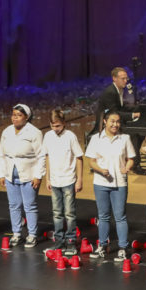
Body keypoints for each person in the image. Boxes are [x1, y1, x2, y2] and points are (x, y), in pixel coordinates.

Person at [86, 110, 136, 260]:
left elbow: (131, 158)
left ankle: (122, 247)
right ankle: (102, 245)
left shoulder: (125, 138)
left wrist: (127, 168)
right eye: (112, 121)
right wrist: (101, 170)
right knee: (103, 216)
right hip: (101, 183)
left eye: (118, 121)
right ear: (105, 122)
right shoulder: (96, 138)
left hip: (120, 183)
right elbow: (91, 161)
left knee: (120, 216)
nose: (115, 124)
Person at [39, 108, 84, 256]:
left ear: (64, 123)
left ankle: (70, 240)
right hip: (55, 180)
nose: (55, 129)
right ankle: (59, 239)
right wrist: (48, 178)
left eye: (58, 126)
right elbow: (47, 157)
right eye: (52, 126)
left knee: (69, 213)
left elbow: (79, 158)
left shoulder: (70, 136)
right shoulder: (48, 136)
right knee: (57, 212)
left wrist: (79, 180)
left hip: (68, 180)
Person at [0, 103, 44, 247]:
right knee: (14, 205)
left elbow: (41, 155)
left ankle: (32, 235)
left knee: (30, 205)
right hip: (11, 174)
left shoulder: (34, 132)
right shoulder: (7, 132)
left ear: (26, 117)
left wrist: (38, 175)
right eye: (13, 115)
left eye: (18, 115)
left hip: (29, 174)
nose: (15, 118)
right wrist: (1, 173)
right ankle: (17, 233)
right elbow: (1, 154)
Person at [95, 67, 144, 172]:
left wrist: (138, 108)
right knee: (134, 133)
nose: (126, 81)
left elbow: (121, 108)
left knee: (141, 132)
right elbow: (114, 113)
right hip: (108, 123)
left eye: (126, 78)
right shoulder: (110, 92)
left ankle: (130, 157)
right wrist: (133, 115)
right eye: (123, 79)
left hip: (116, 119)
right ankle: (134, 165)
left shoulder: (119, 90)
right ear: (114, 78)